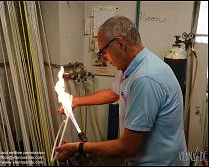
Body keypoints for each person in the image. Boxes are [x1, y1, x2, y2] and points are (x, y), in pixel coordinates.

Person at [55, 15, 189, 166]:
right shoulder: (132, 67)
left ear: (120, 43)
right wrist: (75, 101)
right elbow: (114, 93)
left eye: (103, 52)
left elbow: (128, 147)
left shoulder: (145, 78)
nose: (104, 58)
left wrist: (79, 147)